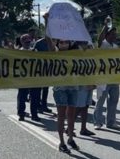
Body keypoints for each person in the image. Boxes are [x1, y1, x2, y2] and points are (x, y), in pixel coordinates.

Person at [43, 13, 79, 153]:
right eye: (61, 42)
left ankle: (70, 138)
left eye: (66, 41)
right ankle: (62, 142)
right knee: (61, 115)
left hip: (73, 87)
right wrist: (47, 21)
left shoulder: (75, 54)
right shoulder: (55, 52)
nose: (64, 44)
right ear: (58, 43)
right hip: (60, 88)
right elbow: (48, 39)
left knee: (71, 116)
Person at [93, 18, 120, 130]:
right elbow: (99, 39)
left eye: (115, 34)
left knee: (113, 101)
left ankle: (111, 122)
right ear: (107, 34)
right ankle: (97, 122)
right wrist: (105, 26)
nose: (115, 36)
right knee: (101, 100)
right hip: (103, 78)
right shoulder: (103, 44)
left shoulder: (116, 47)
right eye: (113, 33)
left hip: (114, 78)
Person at [17, 34, 41, 122]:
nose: (27, 43)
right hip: (23, 78)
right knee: (22, 97)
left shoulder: (35, 51)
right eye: (25, 42)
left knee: (34, 97)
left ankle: (34, 114)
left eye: (28, 41)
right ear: (22, 42)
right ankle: (21, 114)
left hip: (34, 78)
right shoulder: (18, 52)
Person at [75, 41, 96, 136]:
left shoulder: (89, 44)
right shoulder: (75, 47)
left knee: (86, 106)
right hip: (81, 83)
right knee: (79, 106)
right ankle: (69, 127)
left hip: (90, 80)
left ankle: (83, 128)